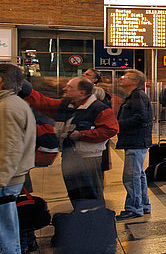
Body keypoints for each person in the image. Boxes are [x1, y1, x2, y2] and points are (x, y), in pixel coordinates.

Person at [24, 76, 116, 204]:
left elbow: (111, 129)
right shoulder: (66, 104)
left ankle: (96, 218)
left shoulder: (98, 108)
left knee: (91, 190)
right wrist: (27, 91)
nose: (65, 88)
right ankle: (79, 215)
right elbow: (44, 103)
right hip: (69, 155)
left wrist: (82, 135)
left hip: (89, 157)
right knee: (74, 190)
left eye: (70, 87)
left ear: (81, 92)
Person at [0, 63, 36, 254]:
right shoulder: (15, 104)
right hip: (11, 179)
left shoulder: (7, 107)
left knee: (4, 248)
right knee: (7, 244)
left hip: (5, 183)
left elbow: (8, 150)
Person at [113, 70, 153, 220]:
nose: (121, 79)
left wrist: (117, 124)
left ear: (135, 82)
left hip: (135, 141)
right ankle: (143, 205)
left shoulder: (137, 96)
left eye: (125, 77)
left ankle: (134, 208)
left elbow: (140, 117)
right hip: (135, 140)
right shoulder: (134, 95)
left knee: (131, 176)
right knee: (138, 175)